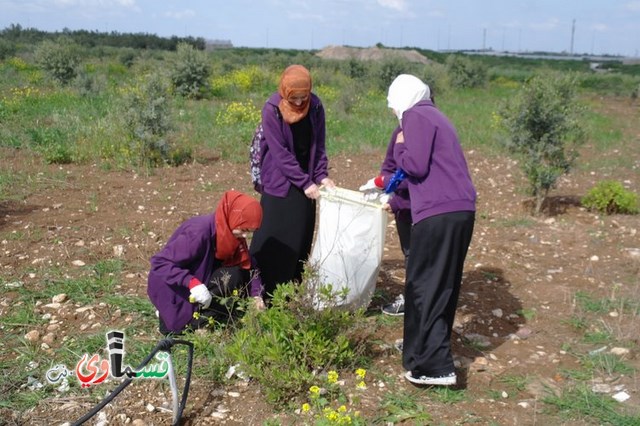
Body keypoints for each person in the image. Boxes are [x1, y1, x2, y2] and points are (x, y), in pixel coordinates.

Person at [389, 74, 476, 386]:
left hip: (438, 212)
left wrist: (400, 146)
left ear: (400, 98)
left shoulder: (415, 115)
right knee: (439, 284)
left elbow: (415, 164)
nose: (395, 115)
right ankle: (420, 352)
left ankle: (435, 366)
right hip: (460, 210)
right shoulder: (436, 115)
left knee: (424, 285)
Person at [249, 64, 335, 301]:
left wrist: (321, 175)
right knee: (274, 236)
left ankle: (289, 296)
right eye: (293, 98)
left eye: (303, 97)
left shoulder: (316, 107)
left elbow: (319, 145)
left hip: (307, 181)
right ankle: (260, 293)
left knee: (300, 238)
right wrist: (305, 182)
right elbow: (280, 153)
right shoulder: (272, 109)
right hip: (279, 182)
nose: (298, 103)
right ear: (284, 92)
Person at [147, 190, 265, 334]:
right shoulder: (198, 233)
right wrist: (192, 283)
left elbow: (249, 264)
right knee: (175, 329)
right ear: (233, 217)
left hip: (201, 278)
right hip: (174, 287)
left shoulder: (230, 233)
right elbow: (160, 263)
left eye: (250, 232)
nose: (245, 236)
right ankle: (181, 317)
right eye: (244, 229)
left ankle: (202, 318)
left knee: (234, 275)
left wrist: (256, 295)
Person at [359, 126, 412, 316]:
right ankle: (412, 299)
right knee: (410, 254)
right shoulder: (399, 131)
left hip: (422, 208)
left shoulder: (425, 133)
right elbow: (390, 165)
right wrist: (386, 189)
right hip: (403, 209)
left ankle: (420, 303)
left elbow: (416, 176)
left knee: (424, 258)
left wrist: (395, 199)